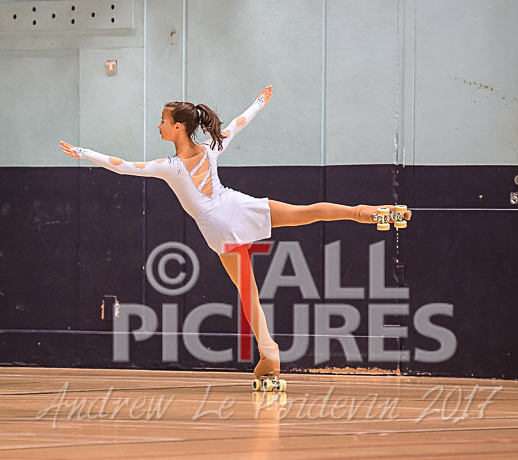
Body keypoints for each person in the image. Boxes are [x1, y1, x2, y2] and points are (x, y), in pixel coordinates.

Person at [59, 86, 390, 382]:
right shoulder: (211, 147)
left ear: (178, 127)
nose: (159, 125)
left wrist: (85, 152)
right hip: (239, 205)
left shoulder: (169, 166)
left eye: (163, 120)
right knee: (305, 212)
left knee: (249, 292)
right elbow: (237, 123)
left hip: (218, 225)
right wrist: (259, 102)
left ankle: (269, 350)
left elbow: (123, 166)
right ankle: (361, 212)